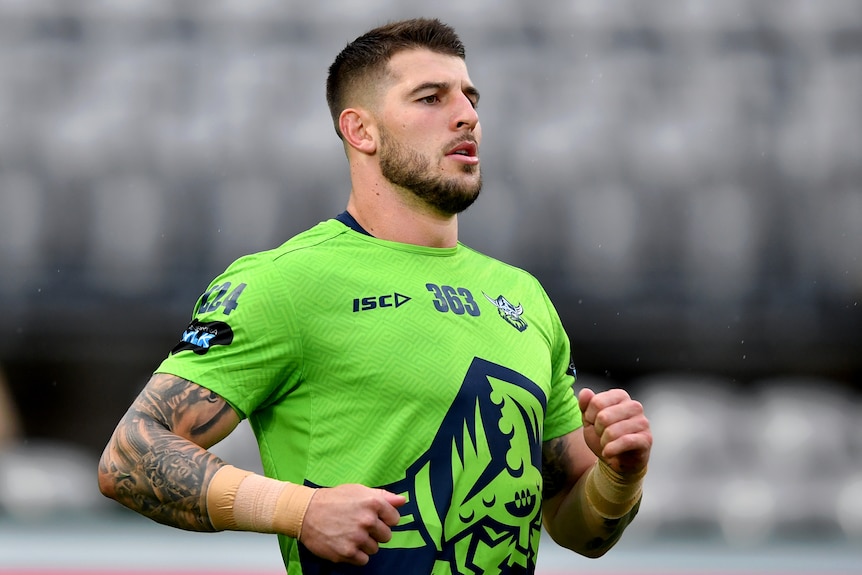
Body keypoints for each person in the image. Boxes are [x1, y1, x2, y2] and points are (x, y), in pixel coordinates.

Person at [98, 17, 652, 574]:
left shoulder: (523, 295)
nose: (468, 115)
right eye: (431, 97)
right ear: (360, 130)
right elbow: (130, 455)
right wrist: (300, 509)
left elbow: (575, 527)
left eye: (469, 96)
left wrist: (619, 478)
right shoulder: (290, 281)